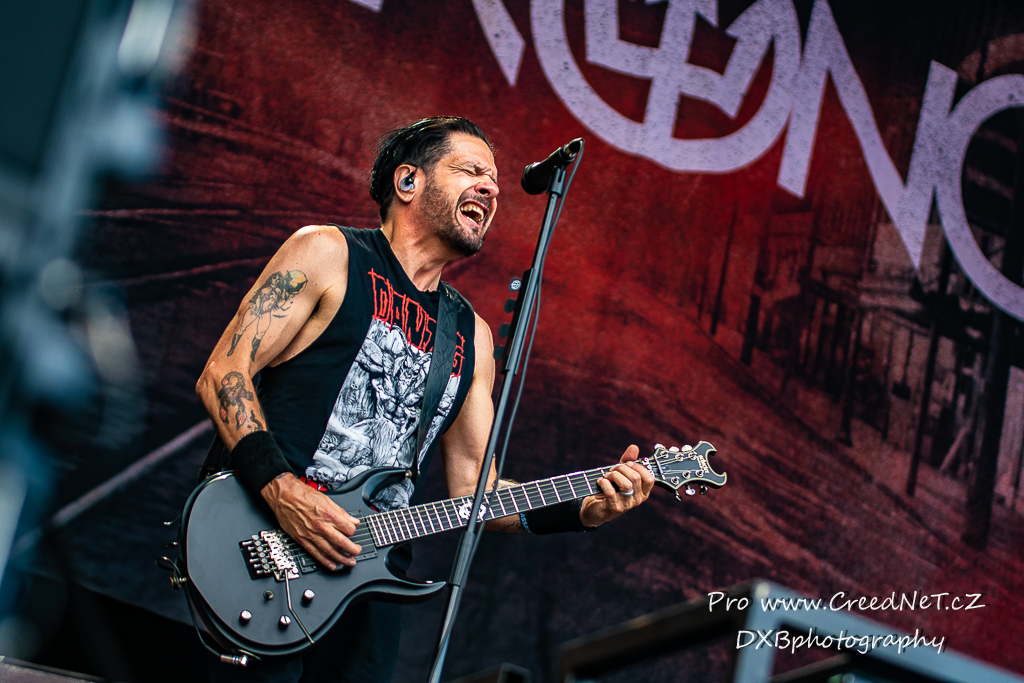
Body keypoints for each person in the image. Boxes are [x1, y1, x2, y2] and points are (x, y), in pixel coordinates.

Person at [195, 117, 654, 682]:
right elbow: (224, 372)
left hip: (369, 583)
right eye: (471, 171)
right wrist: (281, 489)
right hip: (267, 541)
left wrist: (584, 509)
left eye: (496, 182)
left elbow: (477, 492)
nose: (491, 189)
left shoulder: (469, 335)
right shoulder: (328, 253)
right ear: (408, 181)